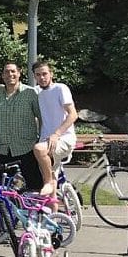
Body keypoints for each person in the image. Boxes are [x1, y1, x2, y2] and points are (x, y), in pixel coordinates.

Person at [0, 62, 43, 191]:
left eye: (13, 71)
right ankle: (5, 211)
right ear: (2, 75)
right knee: (1, 190)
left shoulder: (30, 93)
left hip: (26, 148)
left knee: (35, 187)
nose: (10, 74)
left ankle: (37, 211)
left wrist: (40, 140)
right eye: (6, 72)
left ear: (19, 73)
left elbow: (41, 117)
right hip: (2, 149)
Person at [32, 61, 79, 196]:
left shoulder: (60, 88)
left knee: (39, 149)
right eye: (38, 75)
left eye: (45, 74)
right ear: (34, 77)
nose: (42, 77)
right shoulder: (36, 92)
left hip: (63, 138)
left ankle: (47, 183)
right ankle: (54, 213)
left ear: (51, 74)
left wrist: (56, 134)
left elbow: (73, 114)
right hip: (46, 141)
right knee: (51, 187)